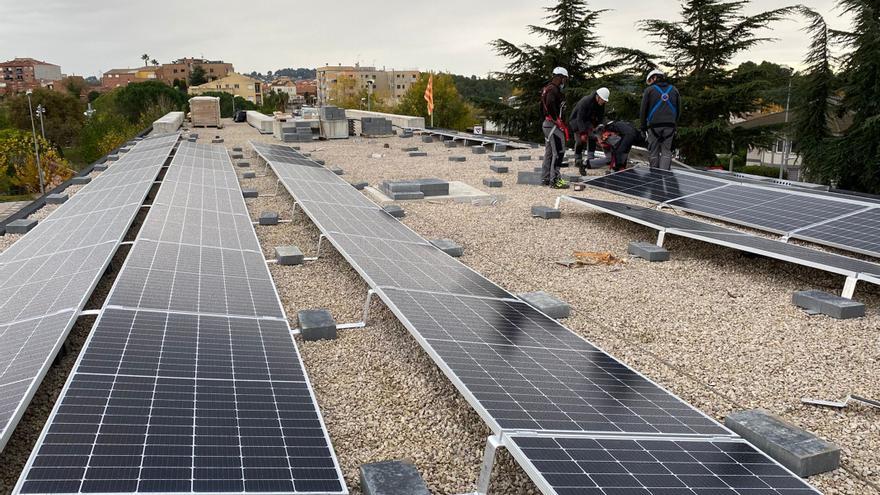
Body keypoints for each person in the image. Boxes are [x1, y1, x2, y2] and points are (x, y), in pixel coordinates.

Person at [640, 69, 680, 171]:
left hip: (653, 126)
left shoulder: (649, 90)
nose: (650, 83)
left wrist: (643, 126)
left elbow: (643, 109)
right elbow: (679, 110)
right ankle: (664, 174)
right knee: (666, 151)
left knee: (654, 151)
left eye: (650, 80)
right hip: (670, 126)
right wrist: (674, 124)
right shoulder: (674, 90)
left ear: (654, 78)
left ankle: (654, 175)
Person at [568, 87, 610, 176]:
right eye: (603, 100)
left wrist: (599, 127)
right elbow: (580, 118)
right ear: (598, 97)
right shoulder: (585, 101)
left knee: (592, 136)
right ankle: (578, 159)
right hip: (576, 121)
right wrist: (582, 132)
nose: (603, 103)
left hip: (589, 121)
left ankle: (590, 159)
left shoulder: (601, 104)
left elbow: (600, 116)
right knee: (580, 140)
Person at [541, 67, 570, 189]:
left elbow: (541, 108)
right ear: (560, 77)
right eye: (564, 79)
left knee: (549, 153)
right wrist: (556, 119)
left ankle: (546, 178)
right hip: (553, 126)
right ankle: (555, 180)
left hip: (547, 125)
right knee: (558, 152)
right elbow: (549, 104)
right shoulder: (553, 90)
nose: (565, 82)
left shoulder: (547, 89)